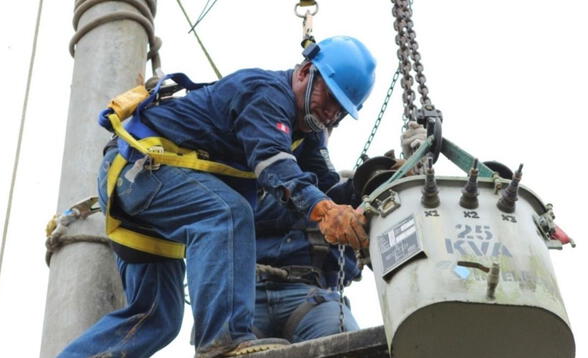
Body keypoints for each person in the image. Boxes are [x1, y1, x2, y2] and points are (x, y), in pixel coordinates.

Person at [57, 35, 376, 358]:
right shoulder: (266, 93)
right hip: (140, 171)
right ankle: (225, 342)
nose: (331, 113)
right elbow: (274, 166)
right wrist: (324, 212)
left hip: (146, 190)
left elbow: (324, 192)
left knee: (155, 317)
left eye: (341, 111)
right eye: (329, 96)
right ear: (306, 72)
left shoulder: (307, 134)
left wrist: (372, 187)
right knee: (228, 213)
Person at [252, 133, 363, 343]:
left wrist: (400, 172)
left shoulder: (339, 194)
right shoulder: (239, 188)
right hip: (243, 296)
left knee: (344, 343)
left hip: (310, 296)